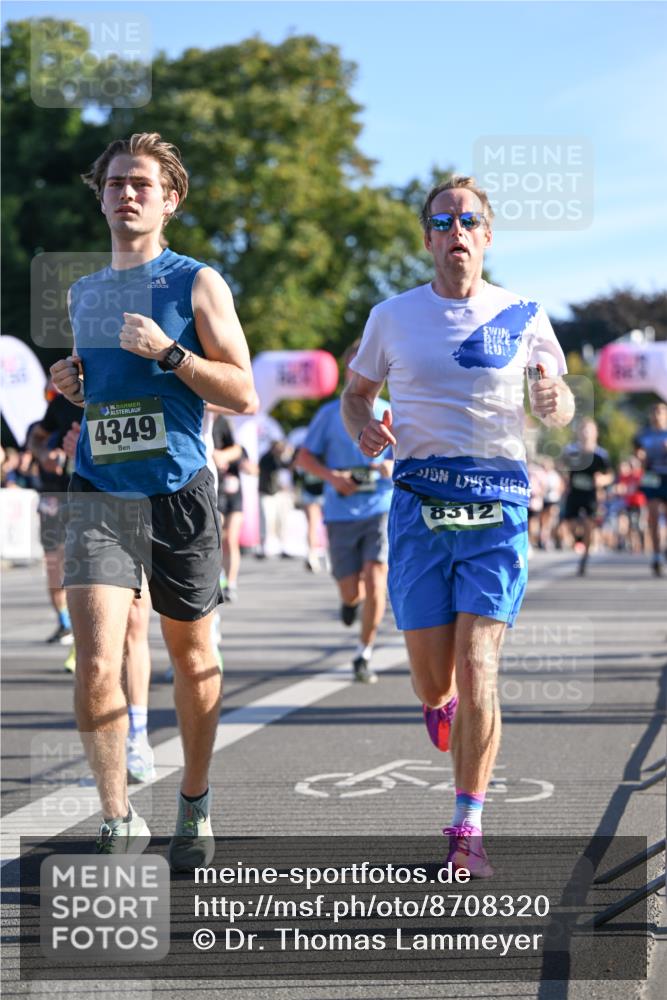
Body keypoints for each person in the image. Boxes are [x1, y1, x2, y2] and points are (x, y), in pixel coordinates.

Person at [341, 176, 574, 875]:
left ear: (487, 236)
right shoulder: (392, 316)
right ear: (427, 239)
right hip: (419, 506)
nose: (456, 233)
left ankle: (467, 827)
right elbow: (356, 395)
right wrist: (364, 427)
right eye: (443, 223)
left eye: (468, 221)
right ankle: (437, 705)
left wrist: (552, 398)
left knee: (479, 667)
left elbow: (560, 401)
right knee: (432, 681)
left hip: (497, 505)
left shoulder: (522, 313)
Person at [50, 132, 255, 866]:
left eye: (141, 184)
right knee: (96, 660)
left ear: (169, 200)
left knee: (192, 657)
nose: (126, 194)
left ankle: (194, 800)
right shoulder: (83, 292)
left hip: (178, 492)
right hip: (100, 488)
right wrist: (75, 387)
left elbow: (243, 392)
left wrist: (171, 353)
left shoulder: (196, 282)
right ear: (100, 197)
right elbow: (105, 390)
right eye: (115, 184)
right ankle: (117, 815)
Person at [296, 342, 393, 684]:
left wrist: (391, 467)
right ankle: (351, 602)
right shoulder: (328, 414)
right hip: (340, 511)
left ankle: (364, 652)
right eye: (354, 366)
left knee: (377, 578)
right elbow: (303, 458)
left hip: (380, 507)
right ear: (346, 371)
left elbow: (411, 458)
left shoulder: (389, 411)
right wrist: (333, 477)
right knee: (352, 589)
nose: (360, 372)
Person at [27, 386, 82, 645]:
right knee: (53, 564)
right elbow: (36, 439)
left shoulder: (108, 393)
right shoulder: (59, 406)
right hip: (52, 496)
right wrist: (43, 456)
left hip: (87, 495)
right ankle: (64, 622)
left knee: (81, 564)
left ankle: (81, 624)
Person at [560, 417, 614, 576]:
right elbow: (561, 466)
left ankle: (584, 557)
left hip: (591, 494)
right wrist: (563, 476)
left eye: (589, 430)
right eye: (583, 430)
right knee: (570, 523)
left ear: (595, 433)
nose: (586, 433)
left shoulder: (601, 454)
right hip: (574, 492)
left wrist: (602, 480)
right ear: (578, 432)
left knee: (589, 524)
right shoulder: (570, 450)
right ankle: (578, 539)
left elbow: (610, 475)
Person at [211, 413, 245, 601]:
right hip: (212, 489)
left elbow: (238, 450)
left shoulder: (222, 421)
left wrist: (221, 455)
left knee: (231, 538)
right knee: (216, 536)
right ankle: (220, 577)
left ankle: (231, 584)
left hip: (232, 490)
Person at [634, 401, 667, 576]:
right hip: (651, 477)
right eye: (654, 413)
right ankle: (656, 555)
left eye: (660, 413)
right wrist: (641, 457)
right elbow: (638, 453)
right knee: (653, 517)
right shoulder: (643, 434)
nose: (657, 416)